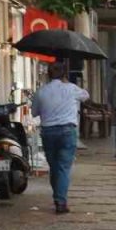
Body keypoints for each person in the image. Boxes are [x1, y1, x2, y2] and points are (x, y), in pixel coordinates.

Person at [31, 61, 89, 214]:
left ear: (48, 75)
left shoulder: (41, 91)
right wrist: (67, 84)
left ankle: (58, 196)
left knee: (54, 167)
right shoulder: (71, 88)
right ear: (64, 74)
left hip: (48, 132)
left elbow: (34, 112)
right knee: (63, 167)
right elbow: (86, 95)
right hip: (67, 131)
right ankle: (60, 201)